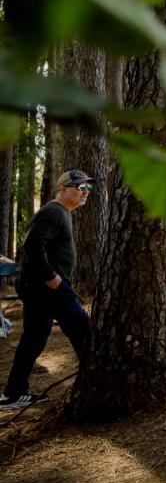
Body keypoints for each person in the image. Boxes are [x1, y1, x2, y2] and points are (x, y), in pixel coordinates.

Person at [0, 170, 94, 410]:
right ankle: (96, 385)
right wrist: (50, 275)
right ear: (62, 189)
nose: (85, 192)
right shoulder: (54, 211)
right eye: (80, 187)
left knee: (34, 337)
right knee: (81, 327)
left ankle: (13, 393)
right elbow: (32, 245)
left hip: (39, 285)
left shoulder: (62, 212)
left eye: (88, 188)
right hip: (47, 286)